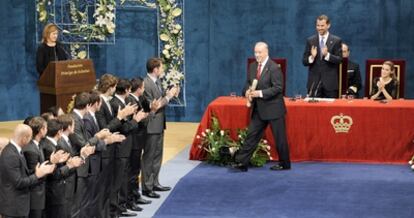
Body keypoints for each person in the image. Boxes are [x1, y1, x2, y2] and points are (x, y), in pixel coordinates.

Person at [233, 42, 290, 172]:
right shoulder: (252, 66)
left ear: (266, 52)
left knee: (279, 138)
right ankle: (241, 162)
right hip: (259, 109)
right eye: (255, 52)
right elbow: (247, 83)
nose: (257, 55)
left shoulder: (274, 67)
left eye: (259, 52)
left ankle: (285, 163)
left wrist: (259, 93)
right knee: (251, 135)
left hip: (274, 108)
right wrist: (246, 91)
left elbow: (278, 88)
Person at [142, 58, 179, 198]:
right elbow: (154, 105)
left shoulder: (157, 82)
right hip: (151, 125)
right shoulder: (146, 83)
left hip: (159, 124)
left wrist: (170, 93)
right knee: (149, 156)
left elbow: (161, 98)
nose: (162, 70)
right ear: (155, 69)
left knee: (157, 155)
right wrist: (168, 97)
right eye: (161, 67)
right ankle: (147, 186)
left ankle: (155, 182)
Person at [0, 124, 55, 218]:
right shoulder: (11, 154)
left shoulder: (16, 150)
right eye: (29, 138)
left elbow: (23, 173)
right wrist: (37, 175)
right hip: (14, 208)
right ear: (24, 138)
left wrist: (40, 170)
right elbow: (19, 182)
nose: (30, 141)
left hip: (18, 206)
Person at [302, 14, 342, 98]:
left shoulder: (336, 40)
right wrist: (312, 57)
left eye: (322, 26)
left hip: (330, 84)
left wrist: (327, 55)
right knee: (313, 110)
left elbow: (339, 60)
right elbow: (304, 61)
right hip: (314, 83)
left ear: (328, 25)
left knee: (331, 110)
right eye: (318, 25)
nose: (319, 28)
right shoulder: (310, 40)